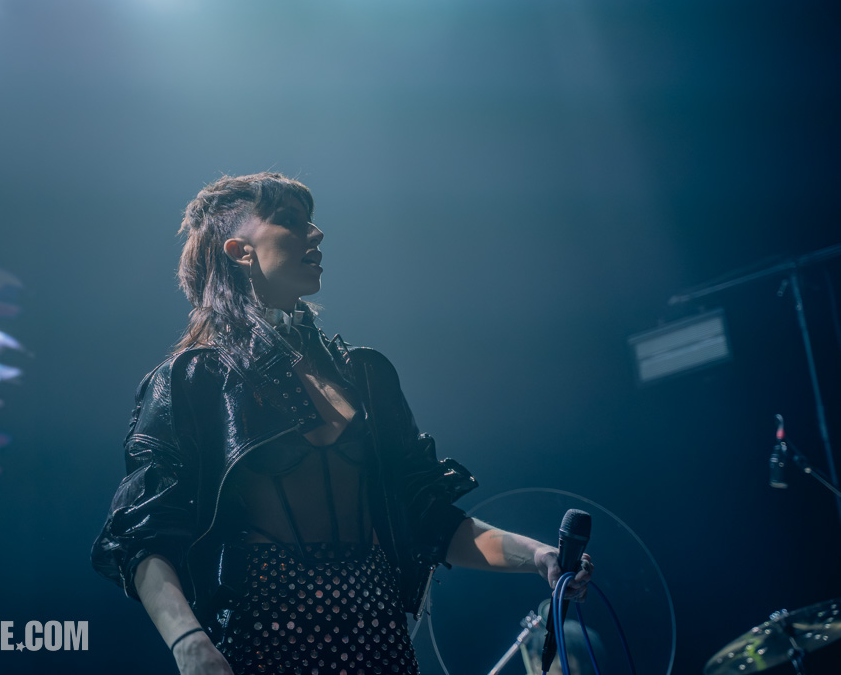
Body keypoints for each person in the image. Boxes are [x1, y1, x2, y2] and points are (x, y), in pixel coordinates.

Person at [91, 172, 593, 674]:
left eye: (311, 222)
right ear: (241, 251)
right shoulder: (191, 378)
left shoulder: (366, 374)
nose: (317, 234)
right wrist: (189, 643)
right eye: (291, 221)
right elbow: (142, 539)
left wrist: (539, 556)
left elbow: (429, 519)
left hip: (380, 638)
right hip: (265, 639)